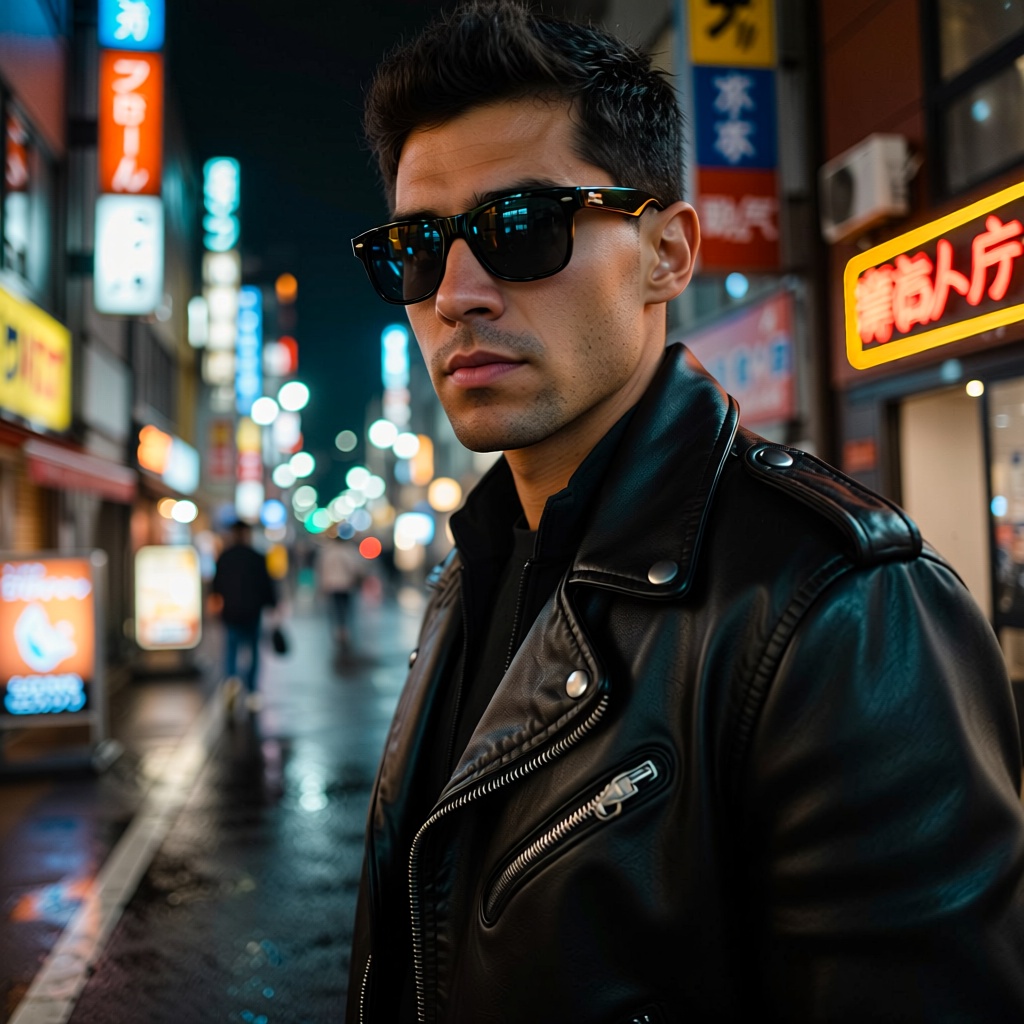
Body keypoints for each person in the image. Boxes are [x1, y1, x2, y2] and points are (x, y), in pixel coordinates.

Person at [346, 4, 1024, 1021]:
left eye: (520, 229)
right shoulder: (472, 568)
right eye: (417, 246)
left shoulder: (837, 608)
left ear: (667, 252)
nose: (456, 292)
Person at [211, 520, 277, 712]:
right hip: (253, 611)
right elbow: (267, 585)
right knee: (253, 651)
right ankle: (252, 691)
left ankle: (231, 680)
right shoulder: (257, 557)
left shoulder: (224, 557)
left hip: (230, 612)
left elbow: (216, 586)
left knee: (231, 648)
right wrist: (272, 605)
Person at [317, 535, 363, 651]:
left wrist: (323, 585)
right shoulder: (348, 551)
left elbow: (322, 569)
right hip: (346, 584)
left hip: (332, 585)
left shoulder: (328, 552)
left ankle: (339, 630)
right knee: (346, 608)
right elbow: (355, 567)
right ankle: (345, 630)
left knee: (335, 609)